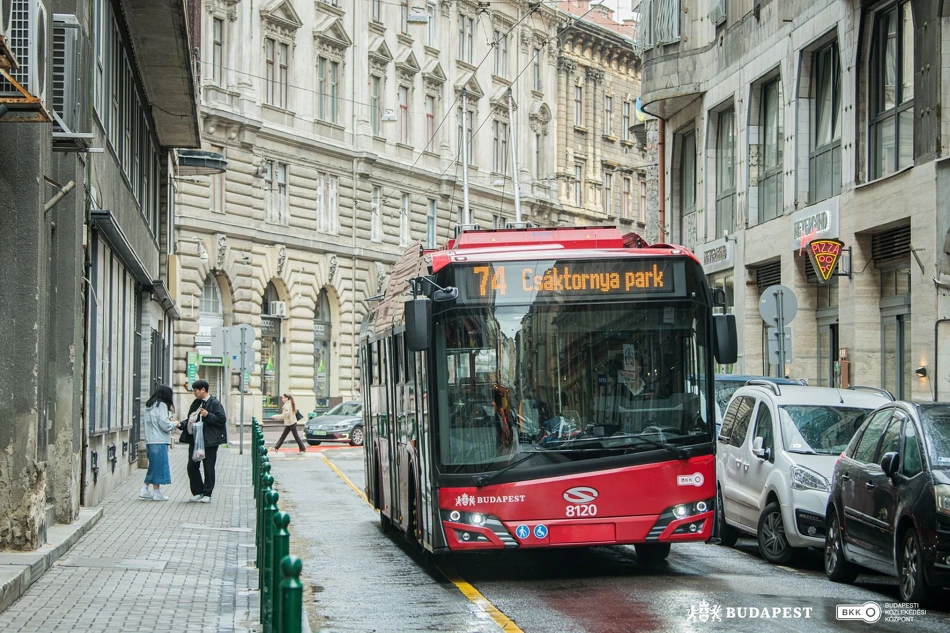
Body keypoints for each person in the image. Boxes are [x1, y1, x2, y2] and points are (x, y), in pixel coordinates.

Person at [178, 379, 228, 503]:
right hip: (195, 440)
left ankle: (207, 493)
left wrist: (208, 415)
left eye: (195, 391)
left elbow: (222, 420)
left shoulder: (215, 403)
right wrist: (182, 424)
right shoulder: (196, 403)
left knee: (208, 467)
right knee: (192, 466)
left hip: (209, 441)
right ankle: (197, 491)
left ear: (203, 390)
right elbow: (191, 418)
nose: (194, 393)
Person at [139, 385, 178, 501]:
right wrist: (175, 423)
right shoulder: (161, 405)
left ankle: (151, 490)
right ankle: (150, 490)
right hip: (159, 439)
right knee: (159, 466)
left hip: (150, 440)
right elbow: (164, 424)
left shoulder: (149, 405)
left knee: (154, 465)